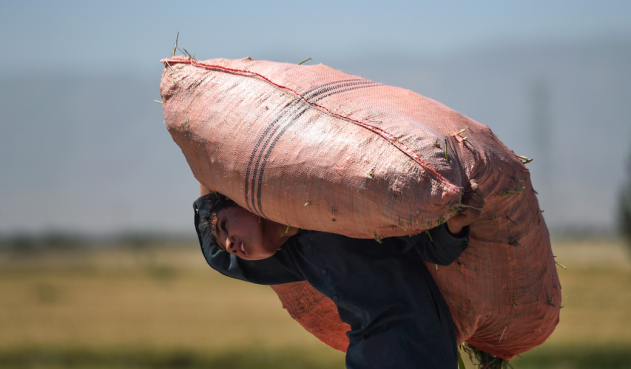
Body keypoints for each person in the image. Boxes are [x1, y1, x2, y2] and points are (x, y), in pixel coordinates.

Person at [194, 181, 484, 369]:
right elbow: (218, 257)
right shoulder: (292, 257)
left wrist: (455, 224)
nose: (230, 244)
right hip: (364, 357)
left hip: (416, 351)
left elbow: (434, 249)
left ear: (245, 202)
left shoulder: (335, 210)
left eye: (224, 227)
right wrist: (204, 169)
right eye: (226, 244)